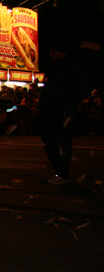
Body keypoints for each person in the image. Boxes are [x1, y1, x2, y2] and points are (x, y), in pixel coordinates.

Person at [38, 39, 87, 184]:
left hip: (61, 112)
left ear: (61, 52)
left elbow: (77, 91)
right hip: (51, 111)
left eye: (53, 51)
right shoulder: (54, 67)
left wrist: (67, 108)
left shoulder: (71, 68)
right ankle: (60, 170)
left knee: (61, 143)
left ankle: (63, 172)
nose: (51, 54)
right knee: (49, 141)